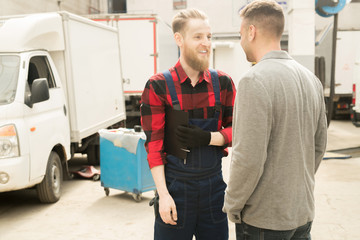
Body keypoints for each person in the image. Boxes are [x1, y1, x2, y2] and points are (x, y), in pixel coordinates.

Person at [222, 0, 327, 239]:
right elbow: (319, 145)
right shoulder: (311, 80)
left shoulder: (254, 81)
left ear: (252, 31)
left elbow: (248, 158)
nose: (240, 42)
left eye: (241, 34)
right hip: (302, 212)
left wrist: (233, 204)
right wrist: (296, 186)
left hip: (264, 219)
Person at [141, 8, 236, 240]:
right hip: (176, 190)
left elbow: (239, 131)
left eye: (209, 36)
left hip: (213, 190)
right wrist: (163, 195)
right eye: (198, 37)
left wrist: (210, 138)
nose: (206, 43)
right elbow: (154, 147)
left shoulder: (223, 83)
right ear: (179, 39)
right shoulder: (158, 86)